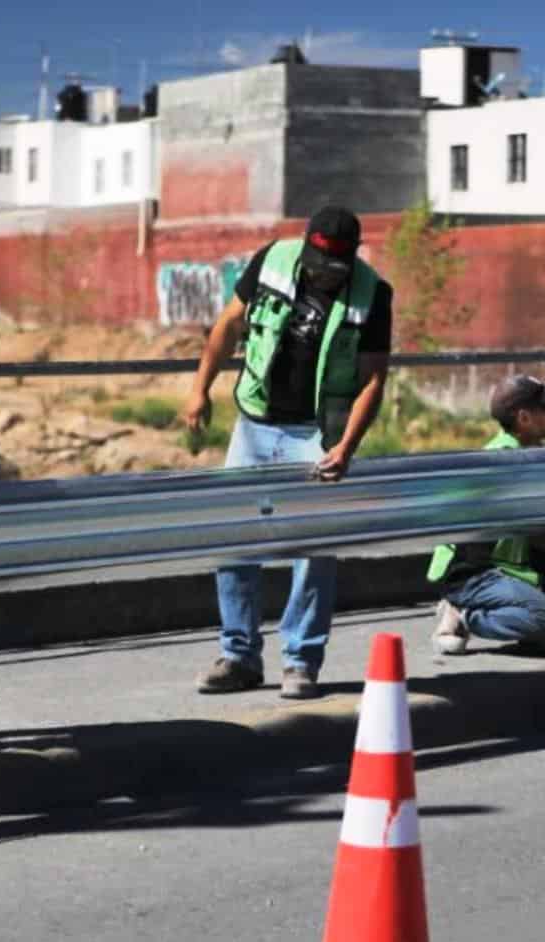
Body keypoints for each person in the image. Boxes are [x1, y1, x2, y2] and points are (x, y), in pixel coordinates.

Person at [183, 205, 393, 700]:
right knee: (233, 540)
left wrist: (346, 447)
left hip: (313, 433)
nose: (326, 276)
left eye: (335, 269)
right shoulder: (272, 261)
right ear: (305, 248)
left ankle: (301, 661)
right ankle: (239, 656)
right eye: (319, 265)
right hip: (254, 425)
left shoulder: (372, 293)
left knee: (313, 551)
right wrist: (200, 389)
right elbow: (229, 325)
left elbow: (373, 379)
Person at [428, 375, 545, 657]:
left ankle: (531, 628)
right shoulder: (505, 460)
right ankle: (464, 614)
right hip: (473, 571)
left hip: (508, 565)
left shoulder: (526, 453)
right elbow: (536, 528)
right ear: (524, 417)